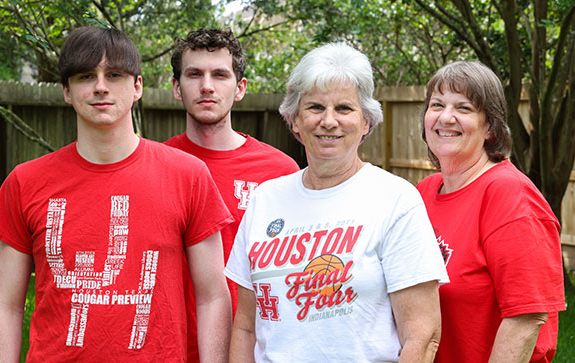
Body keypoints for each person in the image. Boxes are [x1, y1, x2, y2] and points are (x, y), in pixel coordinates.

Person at [0, 26, 232, 362]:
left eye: (114, 74)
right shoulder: (25, 182)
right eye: (86, 76)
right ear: (67, 91)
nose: (100, 87)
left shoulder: (187, 176)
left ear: (137, 87)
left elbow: (213, 298)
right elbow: (5, 304)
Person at [225, 42, 449, 362]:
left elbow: (423, 334)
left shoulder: (396, 200)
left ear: (366, 122)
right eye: (315, 107)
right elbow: (245, 328)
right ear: (294, 120)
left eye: (344, 108)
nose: (329, 121)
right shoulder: (264, 200)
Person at [416, 61, 565, 362]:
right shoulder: (424, 192)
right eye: (437, 104)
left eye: (464, 108)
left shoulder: (511, 196)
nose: (446, 117)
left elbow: (526, 319)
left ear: (489, 127)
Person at [165, 27, 299, 362]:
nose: (207, 86)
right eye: (194, 74)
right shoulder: (157, 167)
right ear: (176, 88)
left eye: (220, 75)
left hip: (256, 350)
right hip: (173, 348)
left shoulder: (279, 171)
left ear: (239, 89)